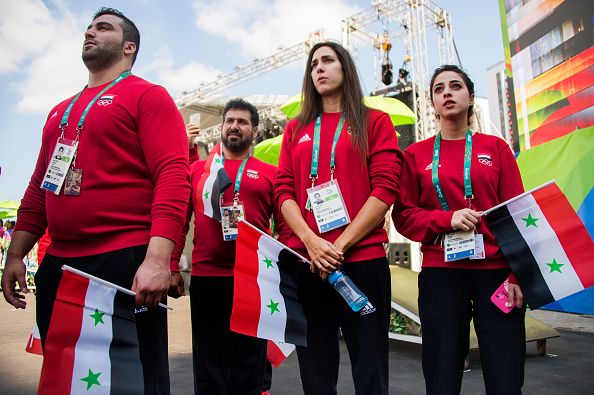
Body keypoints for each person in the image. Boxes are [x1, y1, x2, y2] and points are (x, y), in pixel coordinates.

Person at [1, 8, 190, 394]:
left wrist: (158, 260)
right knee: (66, 379)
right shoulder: (60, 111)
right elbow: (40, 187)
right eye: (88, 27)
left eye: (103, 28)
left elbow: (173, 175)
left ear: (128, 47)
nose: (90, 32)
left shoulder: (147, 95)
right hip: (61, 268)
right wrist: (16, 255)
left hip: (124, 263)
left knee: (135, 381)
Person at [275, 41, 402, 394]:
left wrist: (339, 246)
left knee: (370, 367)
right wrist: (312, 243)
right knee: (315, 371)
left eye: (327, 60)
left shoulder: (374, 121)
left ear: (345, 68)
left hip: (361, 260)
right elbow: (283, 192)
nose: (319, 68)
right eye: (313, 63)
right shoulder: (295, 128)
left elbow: (386, 189)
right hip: (309, 262)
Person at [392, 64, 526, 394]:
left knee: (506, 371)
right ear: (433, 104)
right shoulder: (414, 155)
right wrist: (445, 219)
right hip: (441, 272)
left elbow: (518, 214)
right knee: (441, 371)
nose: (447, 93)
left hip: (496, 273)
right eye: (439, 89)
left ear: (470, 97)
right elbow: (404, 217)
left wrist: (518, 273)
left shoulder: (496, 148)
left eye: (455, 86)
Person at [169, 98, 288, 394]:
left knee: (250, 365)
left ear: (255, 130)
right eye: (229, 121)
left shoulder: (270, 173)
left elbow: (284, 226)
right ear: (222, 127)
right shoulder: (199, 170)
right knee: (209, 364)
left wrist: (283, 272)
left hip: (254, 280)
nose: (234, 126)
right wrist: (172, 265)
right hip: (208, 278)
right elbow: (179, 221)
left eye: (242, 121)